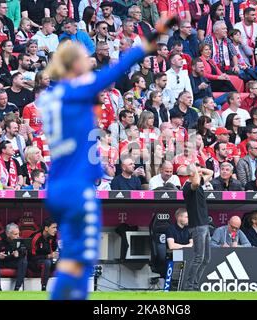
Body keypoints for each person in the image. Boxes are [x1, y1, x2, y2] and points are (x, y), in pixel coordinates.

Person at [37, 31, 160, 299]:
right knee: (84, 260)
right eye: (84, 58)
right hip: (77, 187)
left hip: (55, 186)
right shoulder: (76, 91)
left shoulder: (48, 98)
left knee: (71, 255)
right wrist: (143, 47)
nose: (89, 61)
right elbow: (114, 71)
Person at [182, 164, 213, 291]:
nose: (200, 174)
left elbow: (210, 173)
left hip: (204, 225)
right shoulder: (188, 186)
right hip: (197, 226)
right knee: (198, 257)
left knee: (206, 259)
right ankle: (189, 286)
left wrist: (199, 169)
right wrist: (193, 170)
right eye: (196, 172)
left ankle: (194, 285)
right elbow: (195, 182)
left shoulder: (198, 182)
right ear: (191, 174)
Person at [0, 223, 28, 291]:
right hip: (0, 262)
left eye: (18, 234)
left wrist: (18, 254)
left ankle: (17, 289)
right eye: (15, 234)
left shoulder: (19, 240)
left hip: (12, 261)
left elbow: (24, 253)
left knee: (23, 262)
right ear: (8, 234)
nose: (18, 236)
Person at [28, 217, 58, 291]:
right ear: (46, 228)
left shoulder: (52, 237)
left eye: (56, 228)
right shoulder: (35, 237)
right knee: (46, 262)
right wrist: (48, 256)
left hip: (48, 261)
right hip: (34, 263)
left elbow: (54, 250)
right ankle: (43, 288)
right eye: (53, 227)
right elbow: (31, 257)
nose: (56, 230)